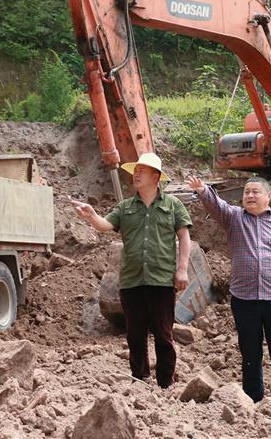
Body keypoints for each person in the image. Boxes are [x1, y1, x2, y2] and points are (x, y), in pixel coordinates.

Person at [185, 174, 271, 405]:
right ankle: (251, 398)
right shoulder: (234, 218)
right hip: (245, 300)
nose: (250, 196)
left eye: (255, 192)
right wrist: (203, 190)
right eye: (246, 192)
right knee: (250, 354)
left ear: (268, 196)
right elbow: (216, 205)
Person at [72, 153, 192, 389]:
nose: (136, 174)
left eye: (142, 171)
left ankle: (165, 383)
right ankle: (140, 379)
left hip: (161, 280)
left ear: (156, 177)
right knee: (135, 335)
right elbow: (105, 226)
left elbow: (184, 237)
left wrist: (182, 270)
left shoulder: (173, 205)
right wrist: (91, 215)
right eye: (135, 170)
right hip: (131, 281)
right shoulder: (125, 207)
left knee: (164, 335)